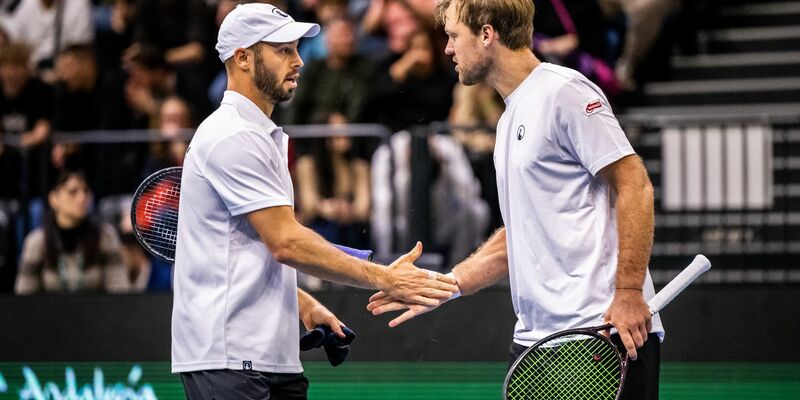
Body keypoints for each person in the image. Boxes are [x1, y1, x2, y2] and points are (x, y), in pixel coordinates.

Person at [368, 1, 662, 399]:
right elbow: (523, 231)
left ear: (486, 34)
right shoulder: (508, 118)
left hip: (600, 333)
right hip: (535, 343)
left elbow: (635, 185)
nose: (447, 49)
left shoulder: (564, 91)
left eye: (453, 36)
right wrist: (447, 284)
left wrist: (628, 293)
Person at [171, 4, 457, 399]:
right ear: (243, 58)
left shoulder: (258, 134)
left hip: (271, 357)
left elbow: (251, 247)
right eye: (283, 50)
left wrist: (300, 303)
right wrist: (385, 278)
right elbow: (286, 242)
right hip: (228, 357)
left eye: (296, 49)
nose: (299, 61)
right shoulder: (231, 136)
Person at [14, 171, 129, 294]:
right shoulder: (37, 241)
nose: (82, 198)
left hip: (97, 307)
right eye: (72, 192)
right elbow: (24, 295)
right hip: (49, 307)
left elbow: (120, 291)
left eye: (86, 191)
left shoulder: (106, 236)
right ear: (54, 199)